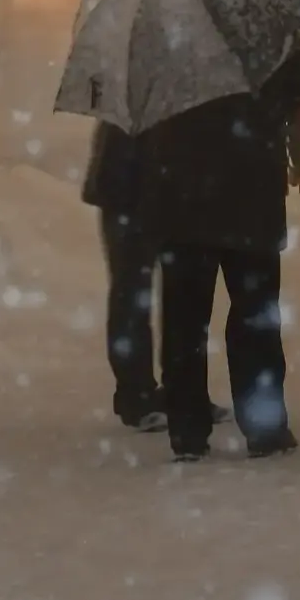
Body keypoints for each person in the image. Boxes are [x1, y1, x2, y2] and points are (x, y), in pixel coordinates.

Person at [135, 44, 300, 462]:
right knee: (255, 316)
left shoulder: (171, 29)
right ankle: (265, 425)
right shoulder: (269, 26)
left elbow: (145, 104)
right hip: (251, 190)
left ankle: (188, 429)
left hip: (183, 191)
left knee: (184, 319)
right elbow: (297, 89)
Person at [81, 120, 166, 429]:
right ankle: (135, 394)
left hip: (158, 190)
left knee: (174, 292)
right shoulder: (129, 91)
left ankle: (175, 390)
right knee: (131, 294)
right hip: (128, 193)